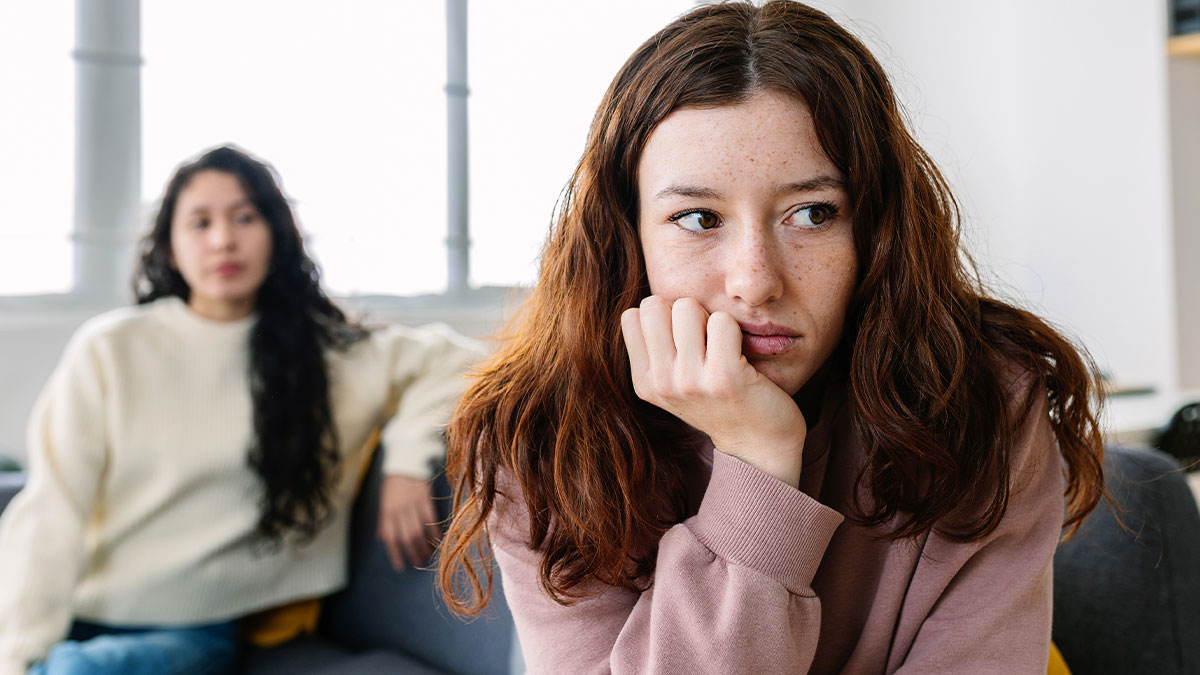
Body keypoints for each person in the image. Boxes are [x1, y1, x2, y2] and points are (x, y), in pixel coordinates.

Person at [437, 2, 1108, 673]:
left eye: (812, 213)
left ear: (875, 231)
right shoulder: (539, 438)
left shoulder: (988, 397)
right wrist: (757, 462)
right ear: (628, 239)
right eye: (698, 217)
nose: (755, 281)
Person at [0, 146, 480, 674]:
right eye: (200, 222)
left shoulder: (330, 354)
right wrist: (18, 651)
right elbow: (50, 511)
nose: (224, 239)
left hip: (193, 630)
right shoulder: (111, 349)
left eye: (245, 217)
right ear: (169, 246)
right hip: (78, 608)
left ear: (276, 233)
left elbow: (461, 360)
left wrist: (408, 461)